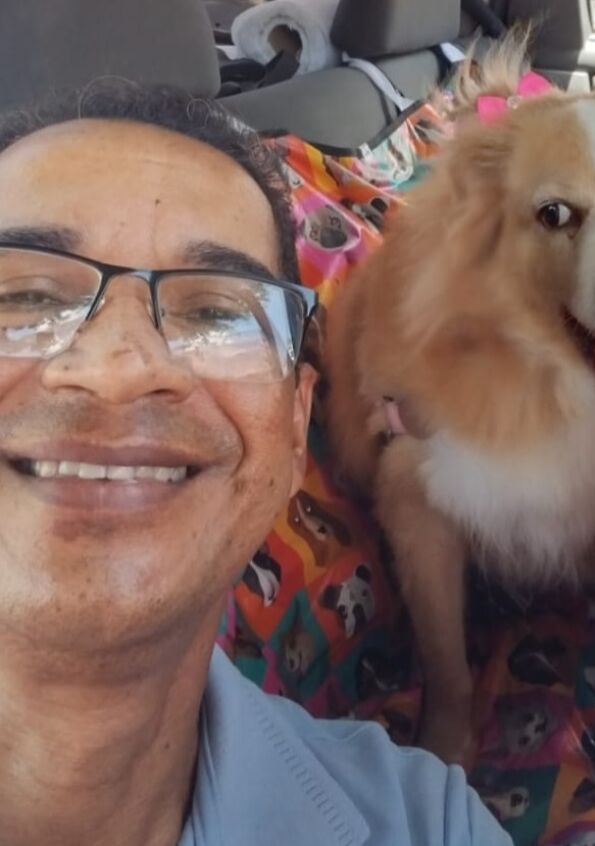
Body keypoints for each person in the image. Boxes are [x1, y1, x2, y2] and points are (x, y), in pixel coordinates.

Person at [0, 81, 512, 846]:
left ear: (296, 426)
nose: (119, 370)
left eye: (215, 313)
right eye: (26, 298)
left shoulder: (422, 822)